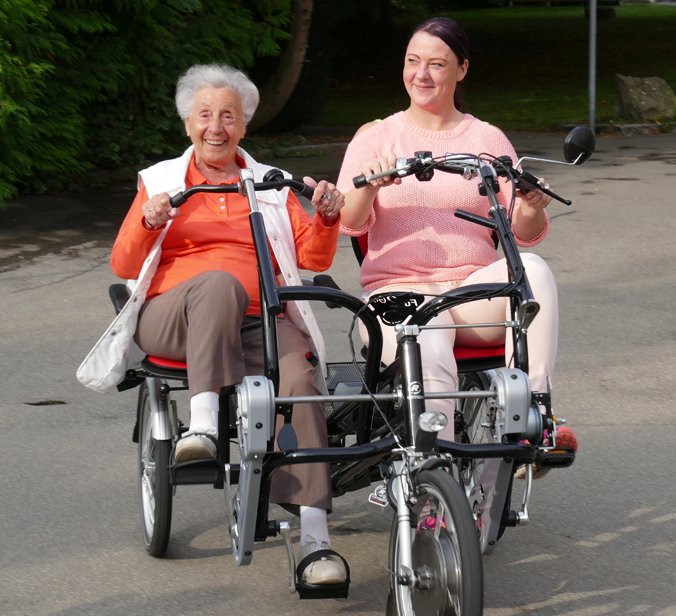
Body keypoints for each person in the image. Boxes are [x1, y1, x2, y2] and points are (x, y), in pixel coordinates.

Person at [109, 63, 347, 584]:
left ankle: (314, 541)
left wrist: (327, 216)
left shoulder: (268, 184)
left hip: (258, 322)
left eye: (229, 116)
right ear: (187, 123)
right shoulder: (162, 181)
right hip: (173, 321)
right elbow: (124, 266)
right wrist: (150, 221)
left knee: (302, 382)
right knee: (218, 282)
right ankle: (204, 426)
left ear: (244, 126)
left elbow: (313, 256)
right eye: (205, 115)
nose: (216, 126)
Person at [336, 17, 577, 459]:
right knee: (429, 327)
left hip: (469, 294)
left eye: (436, 64)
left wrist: (529, 206)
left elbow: (524, 235)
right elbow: (349, 222)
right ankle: (437, 457)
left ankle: (534, 416)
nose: (421, 75)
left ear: (461, 70)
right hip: (399, 294)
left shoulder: (486, 138)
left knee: (535, 273)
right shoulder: (376, 136)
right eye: (412, 61)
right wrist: (368, 186)